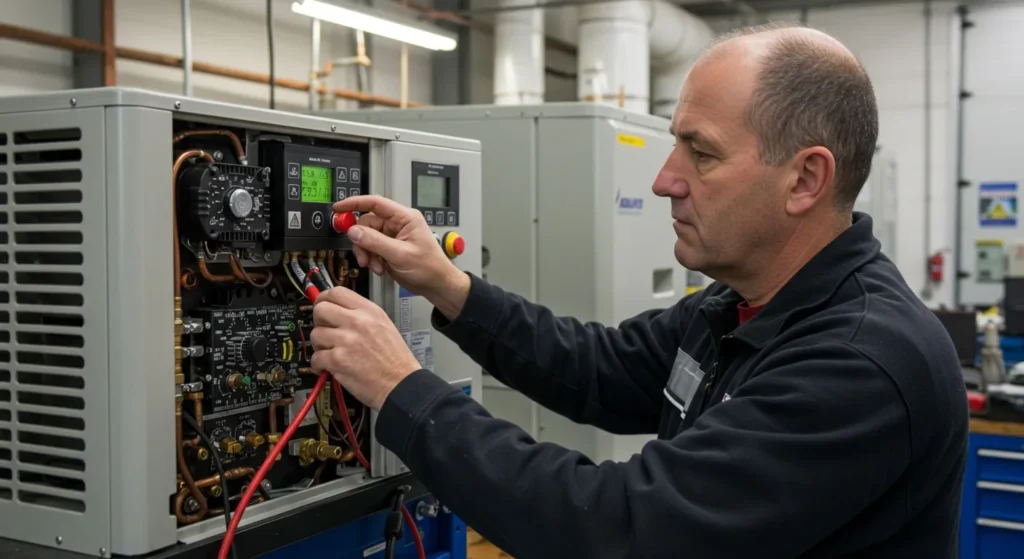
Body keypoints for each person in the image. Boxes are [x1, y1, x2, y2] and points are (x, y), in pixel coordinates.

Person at [309, 23, 968, 558]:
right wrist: (448, 286)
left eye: (700, 152)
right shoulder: (737, 305)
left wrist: (404, 390)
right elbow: (598, 366)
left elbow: (620, 528)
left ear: (804, 180)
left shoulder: (861, 363)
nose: (664, 179)